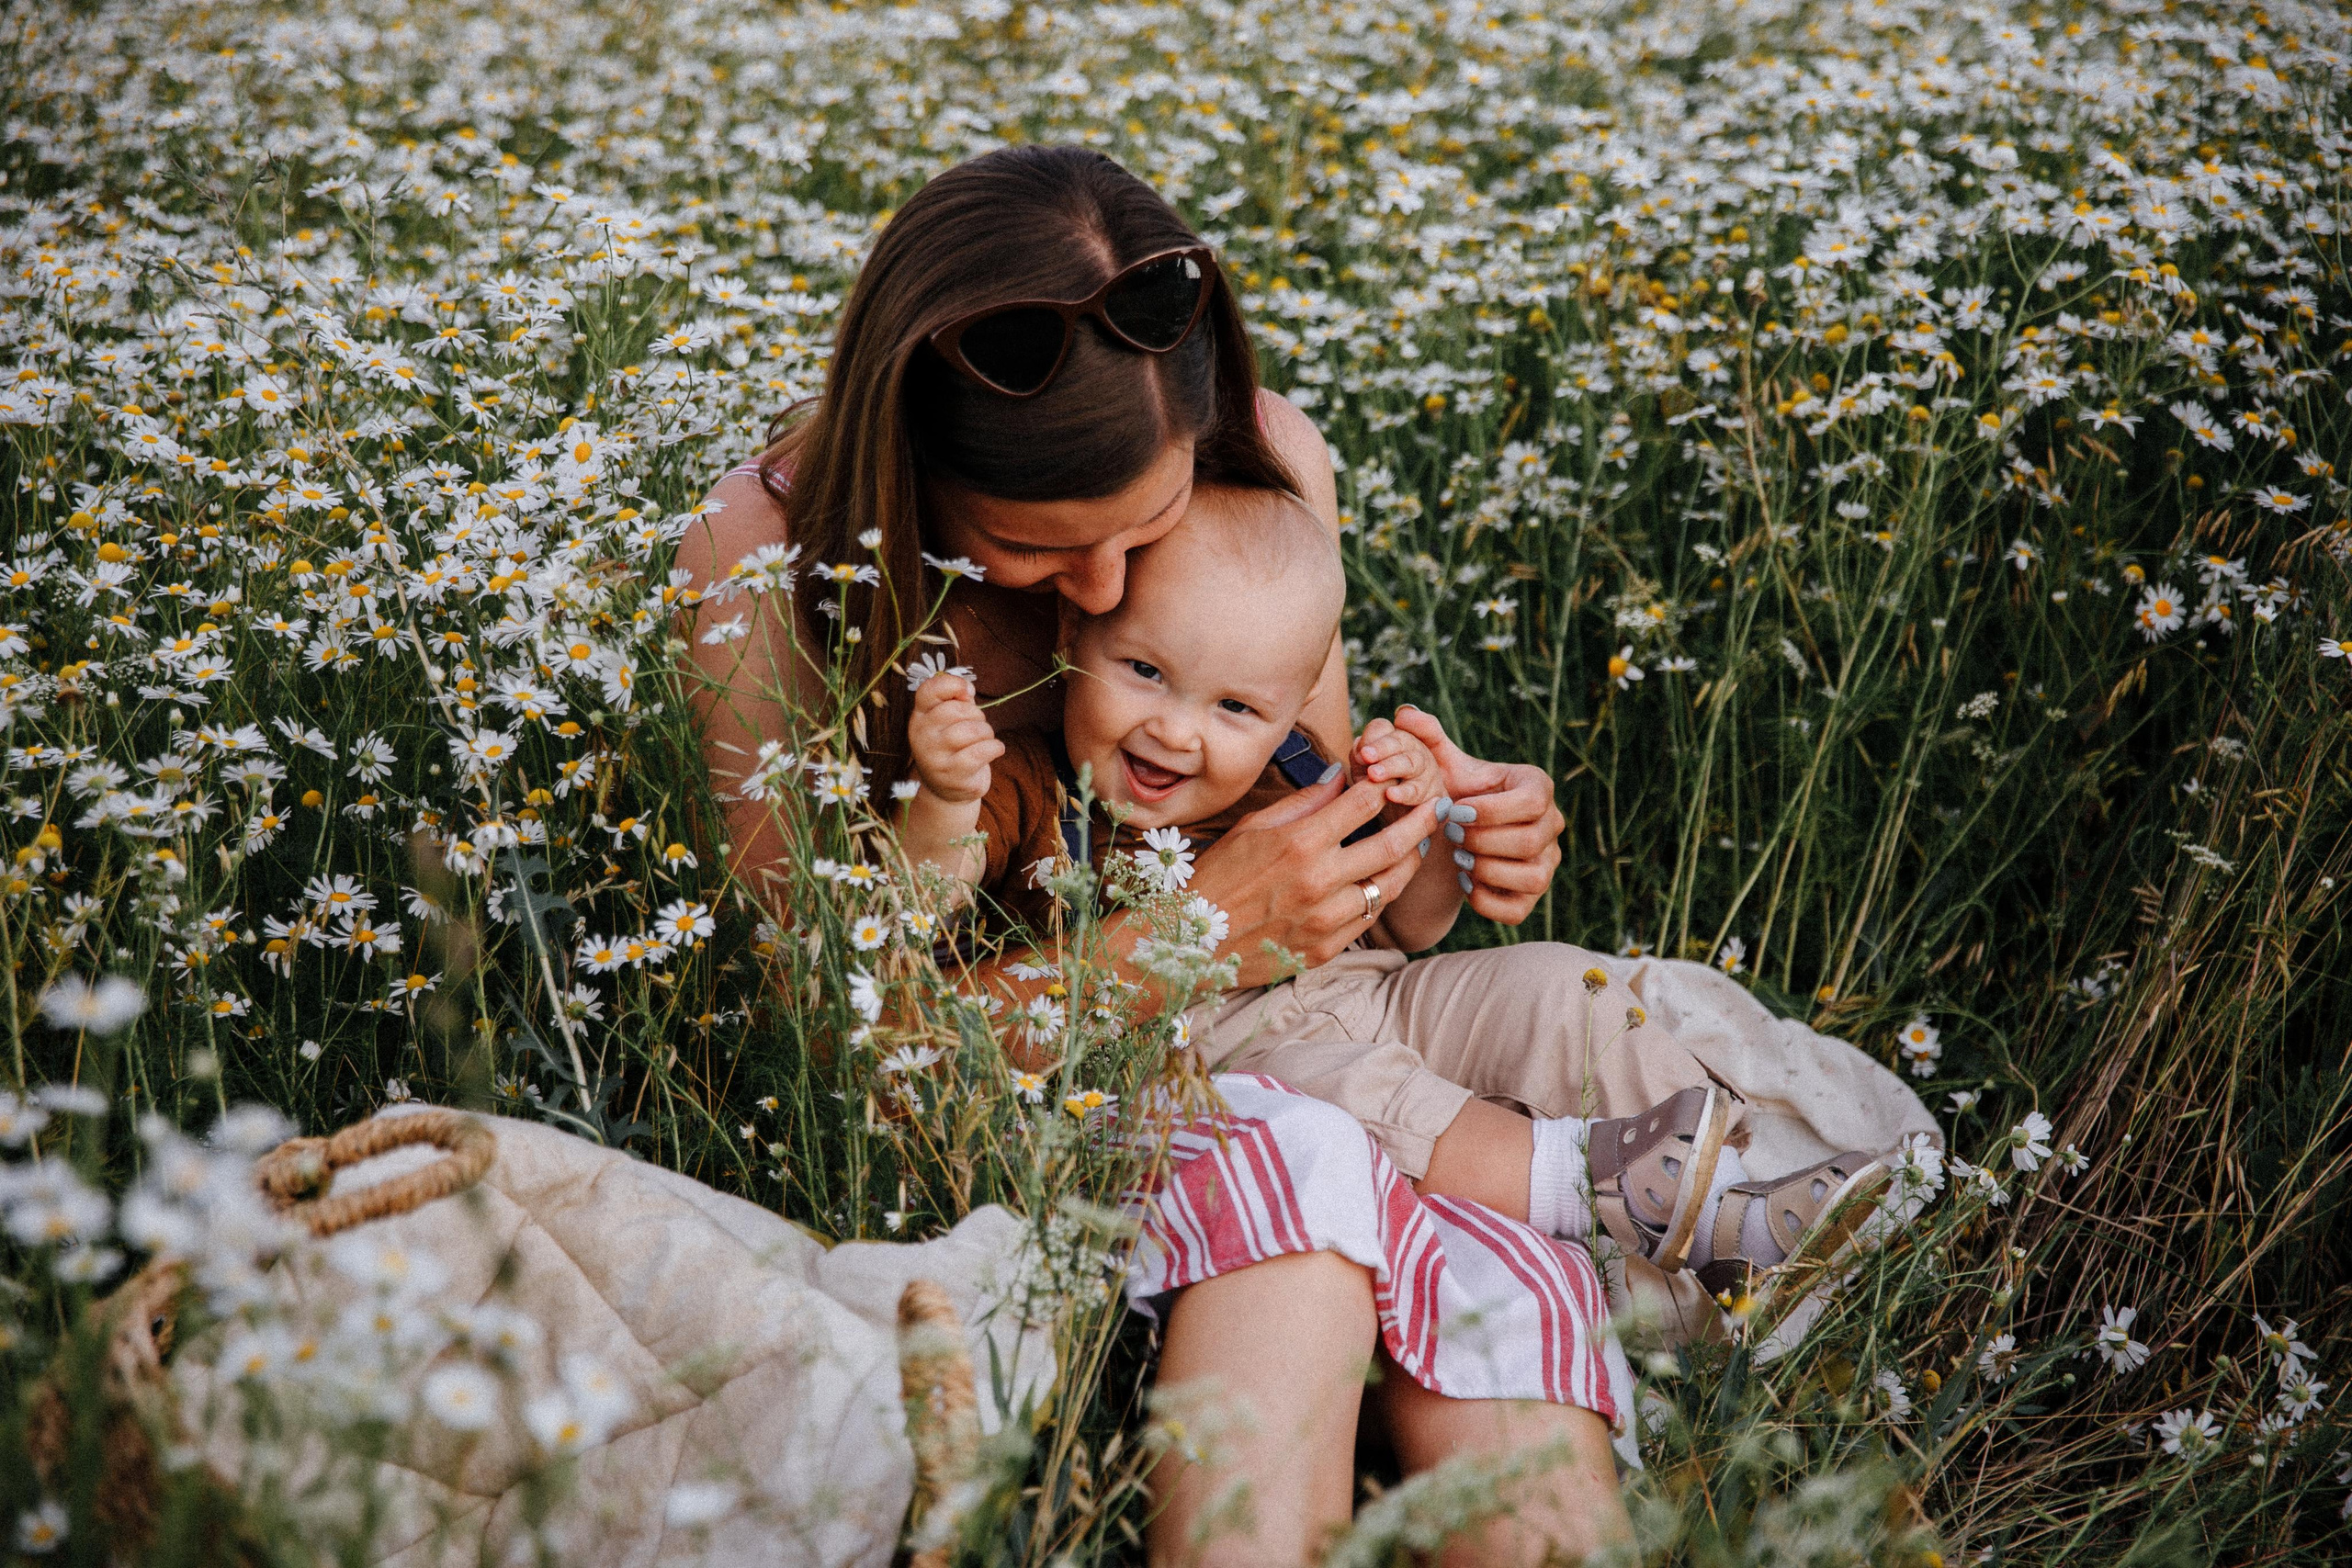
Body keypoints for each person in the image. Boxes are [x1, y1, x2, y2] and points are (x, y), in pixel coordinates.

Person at [684, 142, 1613, 1565]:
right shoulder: (759, 561)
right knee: (1300, 1167)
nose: (1103, 599)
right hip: (1037, 1110)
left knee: (1509, 1265)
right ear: (913, 462)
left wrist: (1454, 839)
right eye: (1035, 551)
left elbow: (1326, 852)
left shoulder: (1267, 455)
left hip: (1285, 1044)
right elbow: (841, 1047)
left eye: (1149, 529)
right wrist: (1201, 937)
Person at [896, 481, 1898, 1316]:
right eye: (1144, 672)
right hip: (1203, 1056)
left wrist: (1434, 826)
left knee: (1556, 986)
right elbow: (915, 919)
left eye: (1235, 706)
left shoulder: (1293, 769)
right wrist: (943, 802)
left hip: (1368, 993)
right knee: (1339, 1104)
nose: (1179, 732)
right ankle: (1642, 1207)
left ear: (1292, 704)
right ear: (1075, 631)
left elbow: (1409, 925)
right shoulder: (1028, 784)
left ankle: (1737, 1217)